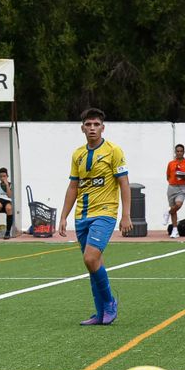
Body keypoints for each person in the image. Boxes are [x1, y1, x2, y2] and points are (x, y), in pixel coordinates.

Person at [58, 107, 132, 325]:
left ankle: (109, 303)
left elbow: (124, 184)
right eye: (88, 125)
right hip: (82, 215)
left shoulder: (113, 151)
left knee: (90, 258)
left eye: (96, 124)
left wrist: (126, 215)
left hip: (105, 214)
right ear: (82, 128)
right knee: (93, 263)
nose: (92, 128)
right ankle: (100, 314)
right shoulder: (78, 154)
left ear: (103, 127)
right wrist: (63, 216)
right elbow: (73, 186)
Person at [165, 143, 185, 238]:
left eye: (181, 151)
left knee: (178, 204)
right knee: (174, 210)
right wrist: (172, 181)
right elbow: (168, 176)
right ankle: (175, 230)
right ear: (175, 152)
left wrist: (183, 176)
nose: (179, 153)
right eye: (177, 151)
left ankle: (167, 212)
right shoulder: (171, 163)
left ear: (184, 152)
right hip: (172, 187)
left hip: (181, 187)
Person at [0, 168, 17, 238]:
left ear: (7, 176)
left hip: (7, 201)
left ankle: (8, 232)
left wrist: (7, 185)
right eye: (1, 176)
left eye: (4, 176)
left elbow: (10, 195)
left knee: (9, 208)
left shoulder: (11, 185)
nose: (2, 178)